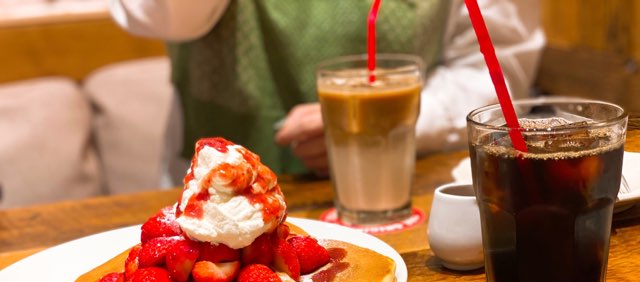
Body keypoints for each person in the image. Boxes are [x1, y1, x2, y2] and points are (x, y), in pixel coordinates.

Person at [109, 0, 545, 185]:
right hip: (210, 200)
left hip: (401, 189)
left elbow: (492, 71)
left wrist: (383, 122)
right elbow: (163, 16)